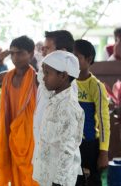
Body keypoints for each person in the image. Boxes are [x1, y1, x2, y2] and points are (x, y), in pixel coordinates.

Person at [0, 35, 38, 186]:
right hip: (10, 134)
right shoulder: (7, 76)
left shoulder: (37, 79)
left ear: (31, 54)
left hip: (30, 137)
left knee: (30, 177)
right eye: (12, 53)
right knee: (15, 176)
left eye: (20, 53)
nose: (15, 57)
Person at [32, 50, 84, 186]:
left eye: (47, 73)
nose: (43, 78)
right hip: (47, 174)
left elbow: (67, 150)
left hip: (58, 180)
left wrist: (59, 182)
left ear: (63, 76)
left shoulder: (68, 107)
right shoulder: (54, 98)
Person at [73, 39, 110, 186]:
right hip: (72, 145)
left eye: (77, 57)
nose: (73, 61)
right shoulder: (68, 83)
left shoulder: (96, 86)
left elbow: (104, 121)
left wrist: (103, 152)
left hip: (90, 145)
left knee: (93, 182)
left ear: (88, 60)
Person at [34, 30, 75, 153]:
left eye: (47, 48)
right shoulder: (45, 78)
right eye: (42, 48)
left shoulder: (66, 83)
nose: (42, 52)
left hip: (56, 156)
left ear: (62, 52)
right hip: (42, 152)